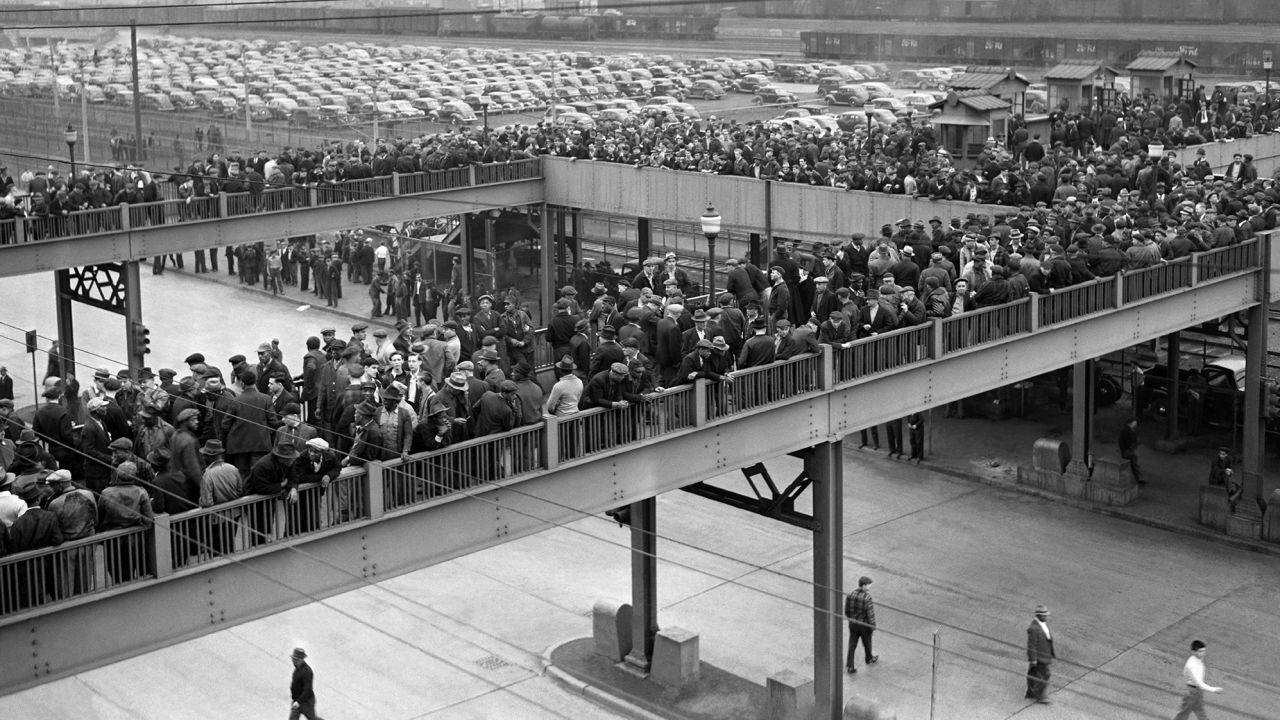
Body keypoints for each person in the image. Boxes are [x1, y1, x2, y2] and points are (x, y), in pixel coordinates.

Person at [1172, 639, 1222, 720]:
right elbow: (1199, 683)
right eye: (1200, 651)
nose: (1203, 654)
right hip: (1192, 692)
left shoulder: (1197, 659)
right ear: (1193, 651)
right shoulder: (1191, 665)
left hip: (1197, 692)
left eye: (1204, 651)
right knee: (1182, 715)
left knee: (1201, 714)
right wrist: (1214, 690)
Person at [844, 575, 878, 674]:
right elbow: (870, 614)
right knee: (867, 643)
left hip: (853, 624)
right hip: (864, 625)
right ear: (863, 586)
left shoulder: (850, 595)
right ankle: (869, 658)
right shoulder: (867, 598)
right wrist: (872, 627)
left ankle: (850, 666)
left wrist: (852, 619)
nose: (869, 588)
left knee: (852, 646)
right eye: (868, 585)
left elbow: (847, 611)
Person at [1026, 604, 1054, 704]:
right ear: (1038, 615)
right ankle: (1040, 696)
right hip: (1039, 657)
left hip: (1045, 655)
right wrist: (1033, 659)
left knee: (1037, 675)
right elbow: (1032, 645)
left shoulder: (1043, 624)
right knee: (1044, 675)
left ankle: (1034, 693)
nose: (1046, 617)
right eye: (1044, 615)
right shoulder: (1033, 628)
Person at [289, 647, 323, 720]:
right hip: (296, 701)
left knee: (313, 719)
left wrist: (298, 702)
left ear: (301, 660)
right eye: (293, 658)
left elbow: (308, 690)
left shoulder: (307, 672)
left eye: (295, 659)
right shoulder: (297, 668)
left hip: (306, 702)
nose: (293, 661)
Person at [1119, 417, 1141, 484]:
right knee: (1134, 463)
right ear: (1131, 423)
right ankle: (1137, 478)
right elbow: (1123, 441)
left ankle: (1136, 477)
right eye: (1135, 422)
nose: (1136, 423)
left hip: (1128, 450)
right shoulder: (1126, 431)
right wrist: (1129, 447)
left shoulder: (1129, 430)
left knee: (1133, 463)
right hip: (1128, 450)